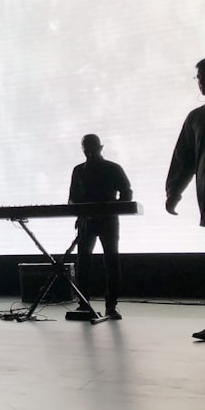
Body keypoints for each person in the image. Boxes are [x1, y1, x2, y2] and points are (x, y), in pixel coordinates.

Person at [166, 58, 205, 340]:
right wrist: (173, 192)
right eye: (198, 76)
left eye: (202, 75)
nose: (200, 80)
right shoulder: (197, 117)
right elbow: (184, 160)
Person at [68, 134, 132, 320]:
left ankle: (111, 306)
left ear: (100, 147)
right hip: (87, 220)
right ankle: (83, 303)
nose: (89, 151)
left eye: (92, 147)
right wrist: (78, 209)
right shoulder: (78, 170)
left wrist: (115, 208)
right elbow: (72, 195)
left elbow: (126, 192)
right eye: (86, 147)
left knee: (111, 261)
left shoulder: (112, 168)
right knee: (83, 263)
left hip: (107, 220)